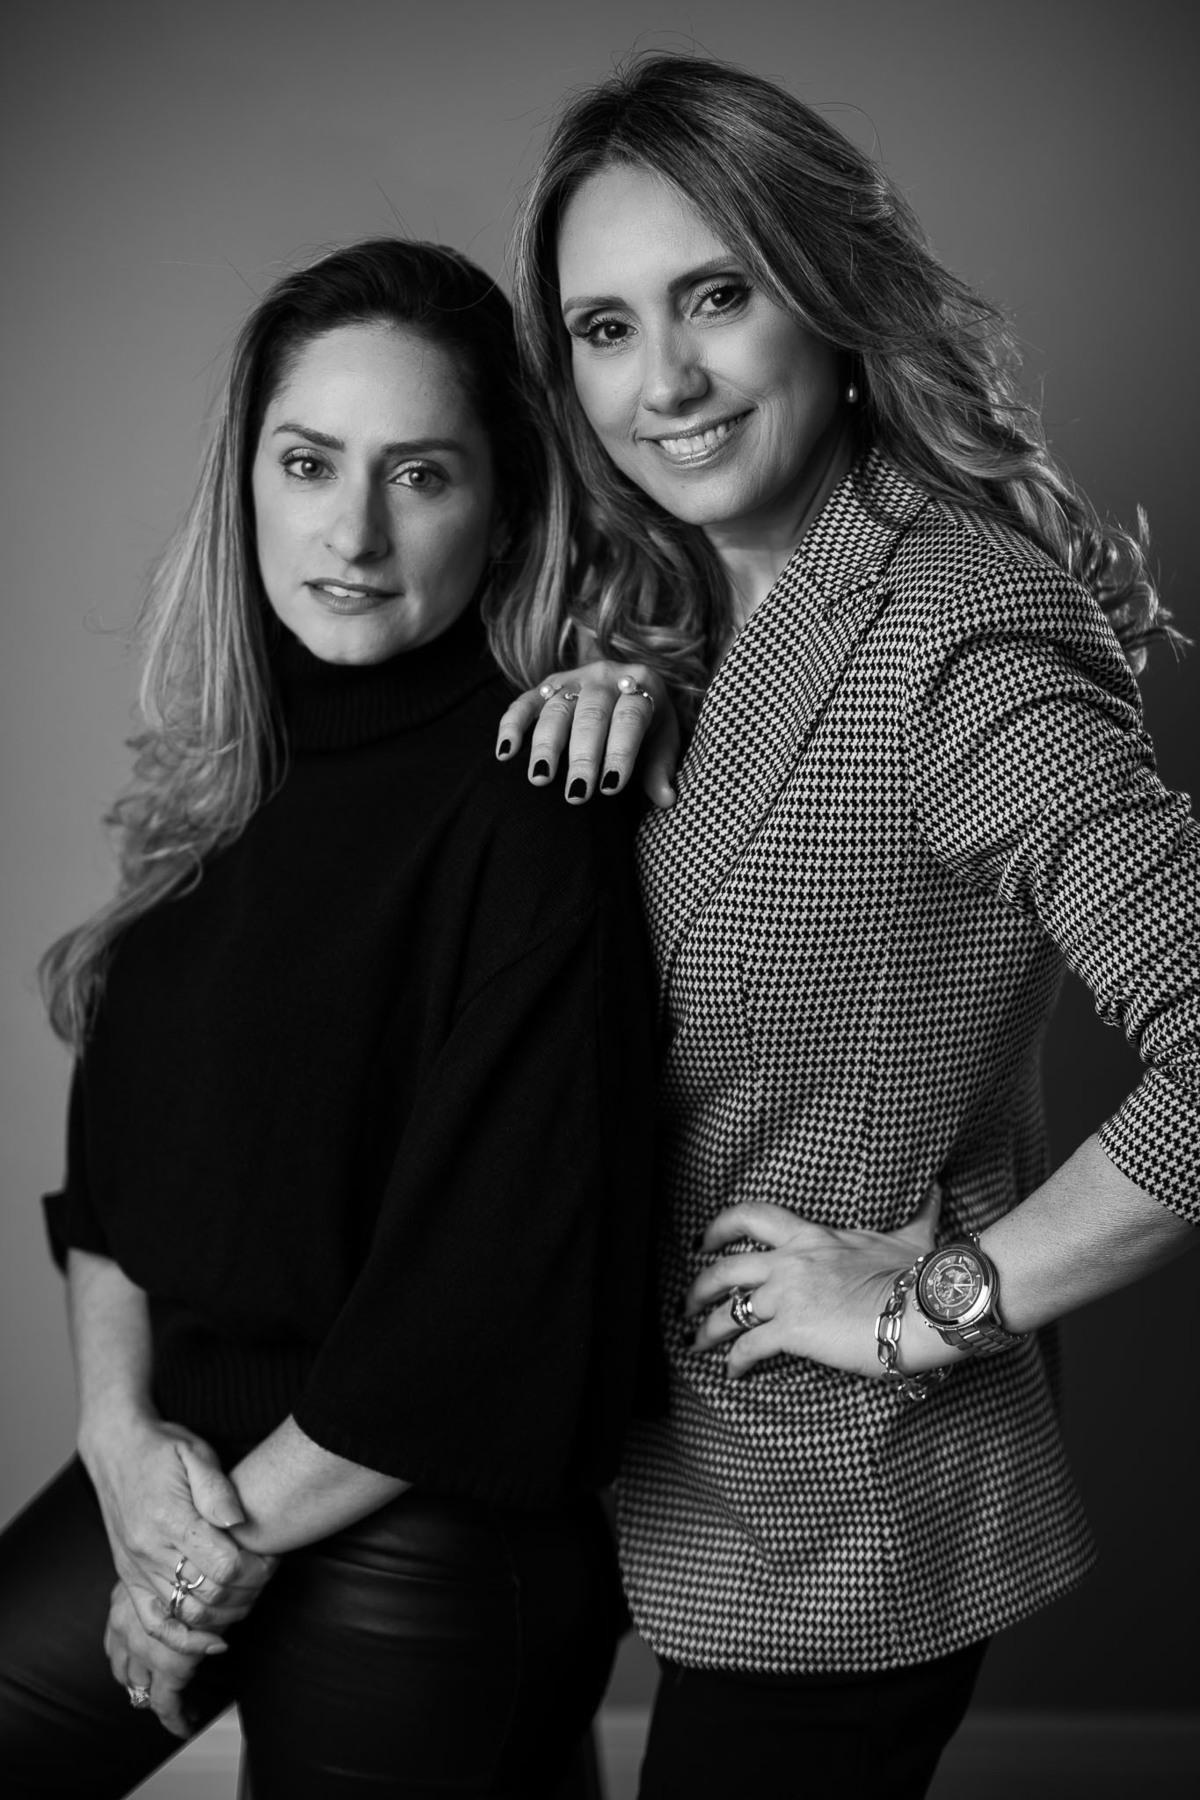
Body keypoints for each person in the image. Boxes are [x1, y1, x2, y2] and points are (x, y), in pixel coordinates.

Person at [492, 51, 1200, 1799]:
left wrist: (935, 1305)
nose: (663, 382)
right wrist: (614, 705)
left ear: (827, 293)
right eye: (603, 328)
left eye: (715, 296)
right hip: (644, 1471)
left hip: (850, 1505)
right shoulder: (678, 606)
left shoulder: (954, 631)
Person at [0, 238, 657, 1799]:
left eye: (419, 475)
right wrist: (119, 1443)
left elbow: (484, 1307)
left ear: (506, 507)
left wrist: (196, 1558)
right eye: (309, 464)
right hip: (184, 1463)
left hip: (421, 1516)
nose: (352, 533)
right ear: (250, 480)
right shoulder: (224, 777)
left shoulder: (538, 800)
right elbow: (117, 1187)